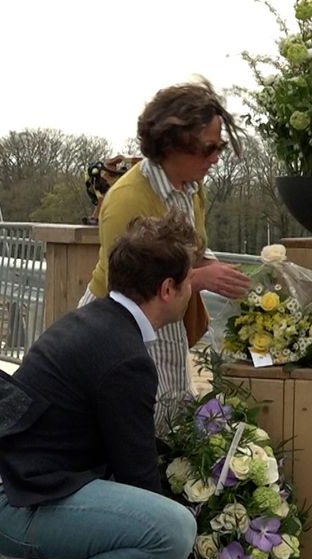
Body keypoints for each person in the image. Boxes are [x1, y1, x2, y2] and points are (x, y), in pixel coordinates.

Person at [0, 214, 200, 559]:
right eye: (189, 280)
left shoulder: (95, 320)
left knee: (125, 506)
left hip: (5, 482)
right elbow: (138, 476)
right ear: (168, 289)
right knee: (173, 532)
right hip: (5, 501)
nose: (191, 290)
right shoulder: (125, 356)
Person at [83, 77, 252, 431]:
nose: (217, 158)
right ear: (174, 144)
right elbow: (130, 291)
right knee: (138, 423)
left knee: (170, 420)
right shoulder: (128, 199)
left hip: (168, 319)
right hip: (124, 330)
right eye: (209, 148)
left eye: (219, 146)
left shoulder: (192, 189)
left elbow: (192, 252)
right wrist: (202, 277)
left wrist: (218, 269)